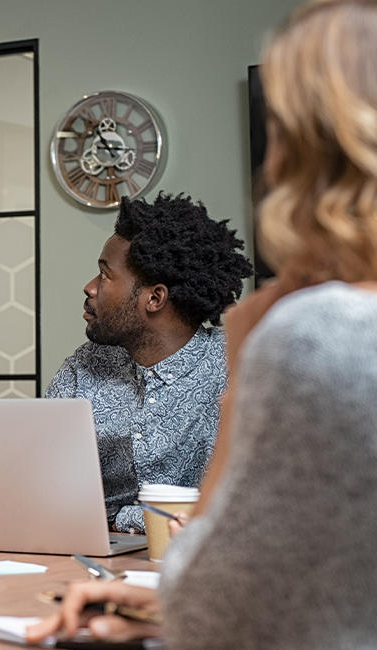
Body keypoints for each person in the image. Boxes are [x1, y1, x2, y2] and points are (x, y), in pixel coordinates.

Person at [28, 0, 377, 647]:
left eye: (280, 133)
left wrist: (244, 372)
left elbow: (222, 594)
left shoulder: (320, 334)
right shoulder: (85, 366)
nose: (270, 163)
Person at [45, 193, 252, 533]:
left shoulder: (236, 369)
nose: (90, 288)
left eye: (104, 275)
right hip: (95, 561)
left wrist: (118, 517)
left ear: (154, 298)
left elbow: (238, 508)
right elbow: (42, 483)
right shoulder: (84, 368)